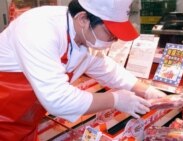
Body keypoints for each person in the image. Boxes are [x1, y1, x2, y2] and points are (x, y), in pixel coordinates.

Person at [0, 0, 166, 140]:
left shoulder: (83, 37)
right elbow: (58, 99)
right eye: (110, 32)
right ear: (83, 19)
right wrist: (115, 100)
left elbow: (107, 69)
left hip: (25, 120)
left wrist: (147, 90)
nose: (114, 40)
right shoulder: (37, 28)